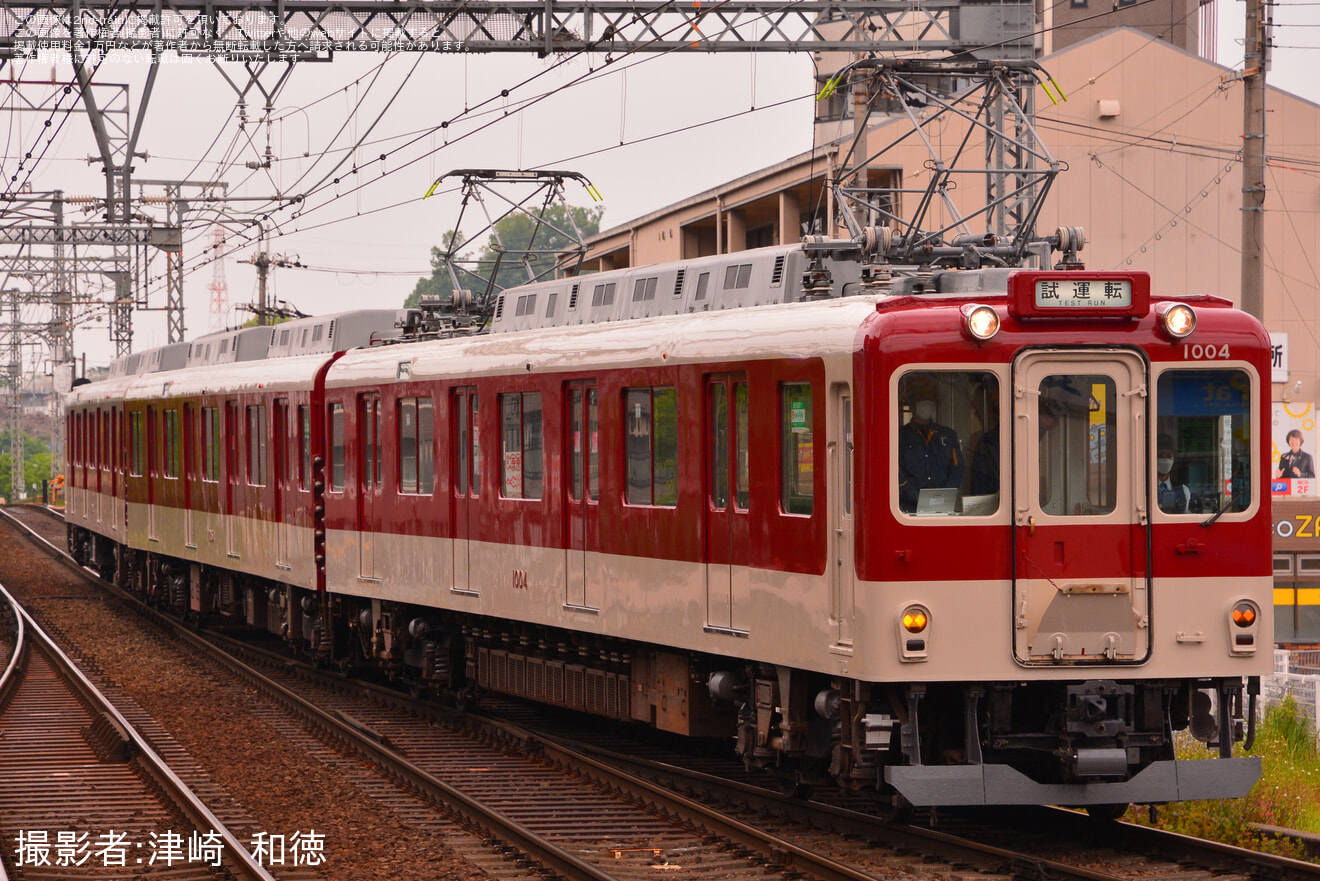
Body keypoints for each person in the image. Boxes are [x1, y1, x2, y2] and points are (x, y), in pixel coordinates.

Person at [898, 374, 964, 513]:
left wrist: (944, 496)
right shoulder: (899, 436)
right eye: (921, 402)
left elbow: (957, 469)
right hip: (907, 510)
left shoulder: (948, 435)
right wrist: (915, 496)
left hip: (943, 509)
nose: (926, 406)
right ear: (911, 404)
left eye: (930, 402)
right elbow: (897, 473)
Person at [1156, 439, 1191, 513]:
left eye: (1169, 456)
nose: (1165, 460)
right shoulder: (1144, 490)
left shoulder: (1184, 491)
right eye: (1161, 456)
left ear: (1173, 459)